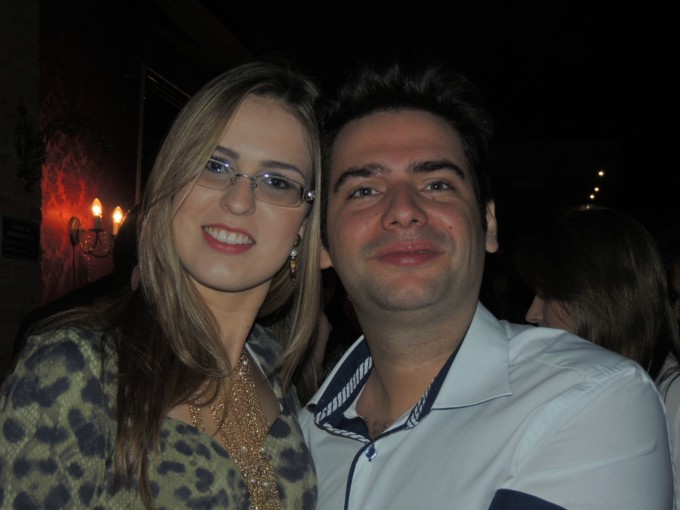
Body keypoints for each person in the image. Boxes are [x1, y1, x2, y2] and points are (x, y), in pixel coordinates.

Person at [298, 58, 674, 509]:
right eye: (364, 190)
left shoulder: (589, 396)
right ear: (322, 242)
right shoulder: (292, 441)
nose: (403, 210)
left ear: (489, 223)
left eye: (437, 184)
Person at [0, 60, 323, 509]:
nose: (239, 200)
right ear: (171, 183)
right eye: (214, 165)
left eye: (277, 181)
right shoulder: (74, 368)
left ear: (303, 224)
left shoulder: (276, 369)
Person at [515, 204, 680, 503]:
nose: (532, 313)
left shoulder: (674, 399)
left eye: (547, 295)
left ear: (597, 298)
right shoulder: (588, 391)